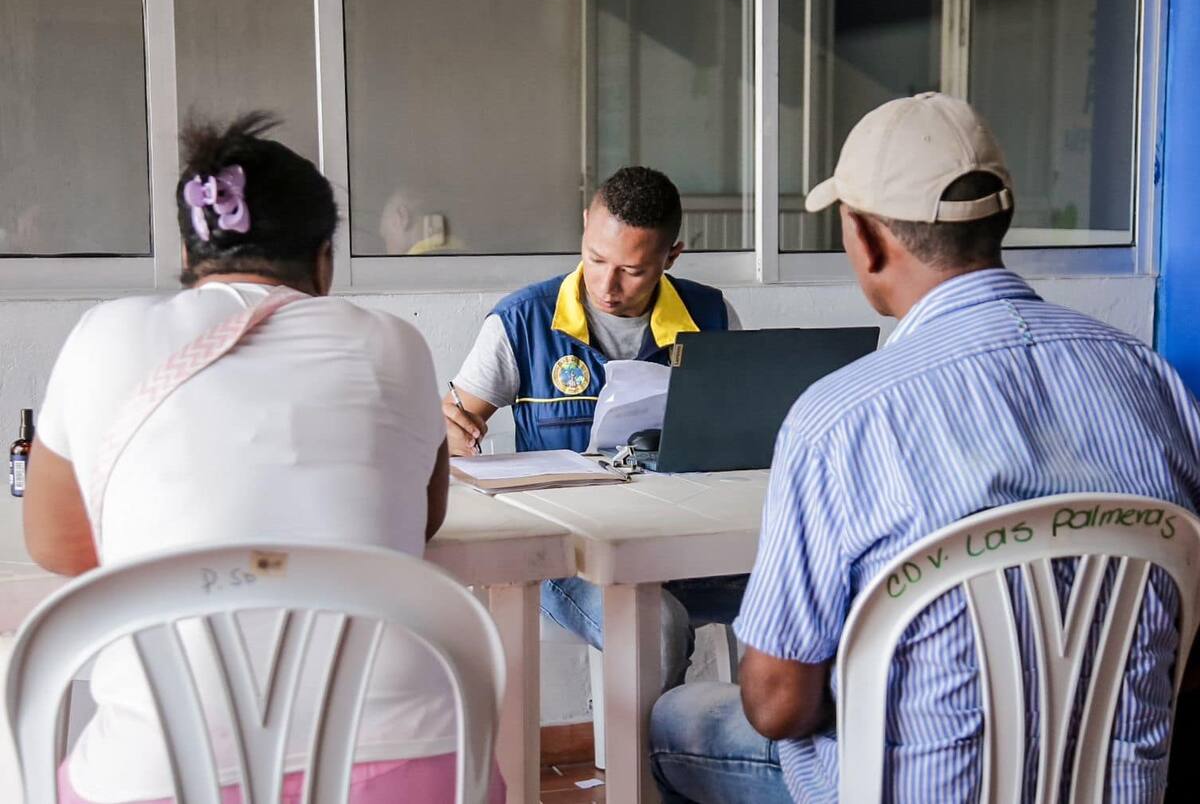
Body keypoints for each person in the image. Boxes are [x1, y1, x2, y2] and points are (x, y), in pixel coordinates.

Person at [648, 92, 1200, 803]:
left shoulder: (842, 418)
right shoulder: (1154, 381)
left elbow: (777, 706)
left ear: (867, 240)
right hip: (1115, 784)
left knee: (672, 721)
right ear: (999, 220)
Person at [23, 113, 504, 804]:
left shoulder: (103, 333)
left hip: (156, 775)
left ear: (190, 258)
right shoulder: (395, 344)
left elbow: (60, 546)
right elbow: (418, 523)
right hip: (415, 765)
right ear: (324, 259)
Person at [444, 165, 746, 688]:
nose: (606, 286)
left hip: (684, 543)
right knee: (656, 623)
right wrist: (447, 430)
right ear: (584, 226)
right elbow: (454, 426)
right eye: (595, 258)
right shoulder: (522, 322)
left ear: (671, 256)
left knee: (814, 587)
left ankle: (763, 757)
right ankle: (656, 769)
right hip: (569, 560)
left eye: (632, 270)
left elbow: (743, 438)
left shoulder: (711, 317)